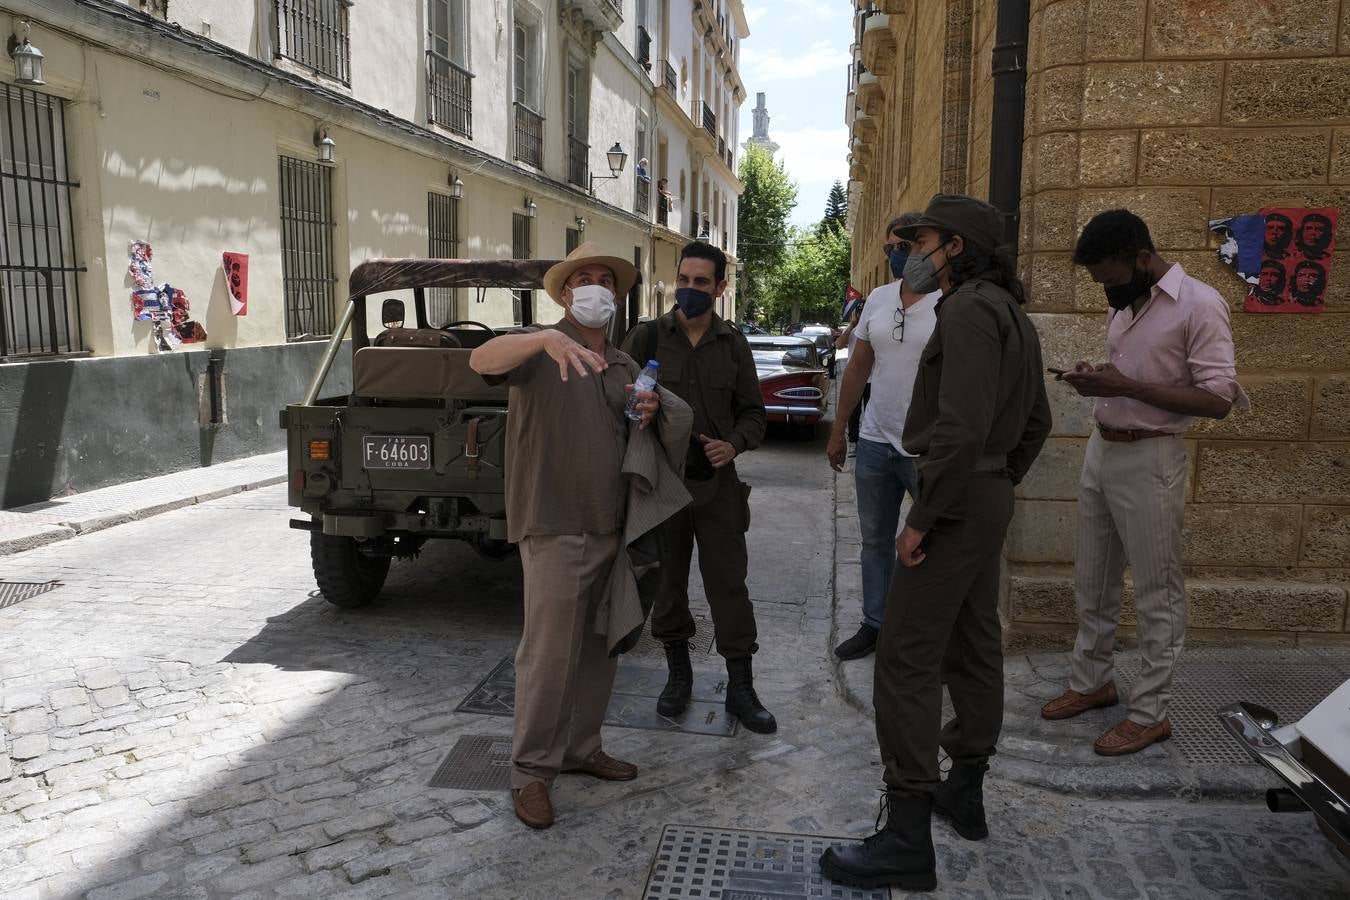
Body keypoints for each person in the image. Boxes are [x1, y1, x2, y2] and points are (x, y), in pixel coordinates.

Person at [820, 195, 1051, 892]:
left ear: (953, 246)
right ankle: (964, 790)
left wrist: (926, 516)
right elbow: (1034, 420)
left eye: (919, 239)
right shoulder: (1010, 311)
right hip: (981, 496)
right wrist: (996, 483)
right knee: (974, 642)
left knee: (907, 656)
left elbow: (961, 424)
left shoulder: (969, 309)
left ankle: (906, 833)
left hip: (953, 500)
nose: (907, 249)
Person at [469, 242, 668, 830]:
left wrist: (650, 415)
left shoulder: (627, 366)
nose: (596, 287)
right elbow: (481, 359)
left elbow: (635, 432)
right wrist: (540, 338)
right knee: (549, 655)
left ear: (618, 295)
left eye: (606, 279)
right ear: (563, 294)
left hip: (613, 524)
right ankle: (530, 773)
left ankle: (582, 747)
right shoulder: (539, 347)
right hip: (554, 523)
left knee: (600, 648)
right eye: (584, 278)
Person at [1040, 209, 1248, 757]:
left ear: (1140, 258)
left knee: (1158, 592)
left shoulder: (1200, 305)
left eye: (1108, 278)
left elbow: (1219, 398)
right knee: (1093, 578)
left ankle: (1151, 713)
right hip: (1102, 449)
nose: (1105, 289)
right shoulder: (1130, 304)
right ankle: (1092, 683)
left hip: (1152, 457)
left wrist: (1126, 385)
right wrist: (1100, 380)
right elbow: (1131, 381)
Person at [621, 241, 775, 734]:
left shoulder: (733, 344)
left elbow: (754, 414)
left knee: (729, 586)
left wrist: (732, 444)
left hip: (717, 489)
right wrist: (637, 413)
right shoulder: (645, 338)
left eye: (701, 282)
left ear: (720, 287)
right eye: (683, 280)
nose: (690, 290)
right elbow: (616, 405)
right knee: (668, 587)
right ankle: (678, 677)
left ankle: (741, 689)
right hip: (660, 486)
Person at [825, 213, 941, 661]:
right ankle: (876, 623)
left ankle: (922, 630)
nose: (898, 254)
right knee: (873, 540)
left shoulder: (950, 303)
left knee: (930, 543)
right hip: (874, 441)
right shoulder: (877, 298)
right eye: (892, 246)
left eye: (908, 245)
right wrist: (840, 430)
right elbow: (858, 367)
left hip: (926, 448)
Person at [834, 296, 869, 446]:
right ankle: (854, 442)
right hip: (855, 377)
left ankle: (867, 441)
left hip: (872, 379)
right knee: (853, 413)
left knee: (870, 413)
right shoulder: (852, 330)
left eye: (864, 313)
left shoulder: (873, 327)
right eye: (859, 313)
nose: (862, 316)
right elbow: (839, 345)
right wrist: (851, 325)